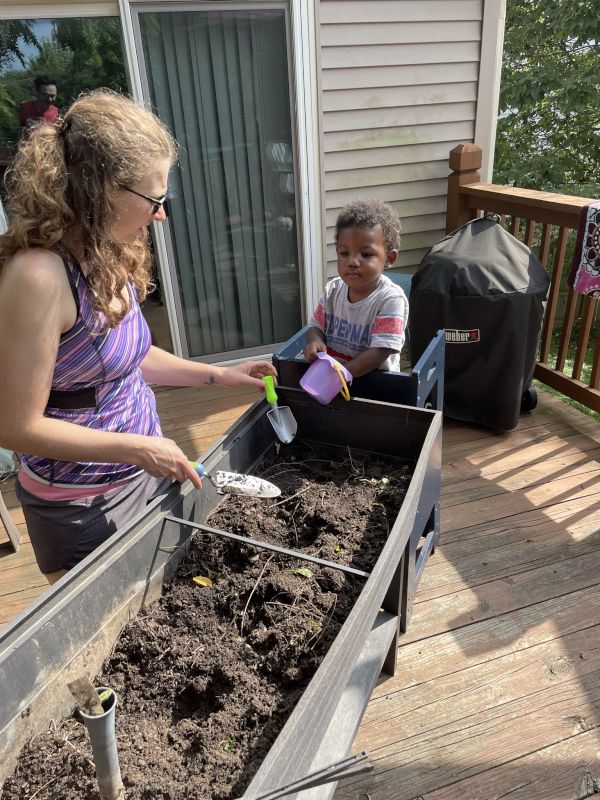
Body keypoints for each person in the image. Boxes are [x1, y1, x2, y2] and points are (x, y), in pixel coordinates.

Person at [0, 89, 277, 585]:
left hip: (144, 470)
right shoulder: (38, 277)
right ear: (102, 188)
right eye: (155, 199)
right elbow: (14, 426)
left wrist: (219, 375)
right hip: (80, 503)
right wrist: (136, 448)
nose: (161, 215)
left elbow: (131, 355)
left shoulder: (111, 251)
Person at [303, 199, 408, 377]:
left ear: (389, 258)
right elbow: (315, 326)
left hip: (376, 384)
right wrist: (315, 341)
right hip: (332, 376)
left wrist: (342, 375)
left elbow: (381, 351)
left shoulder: (390, 300)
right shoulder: (333, 290)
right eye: (345, 253)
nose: (352, 261)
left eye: (366, 254)